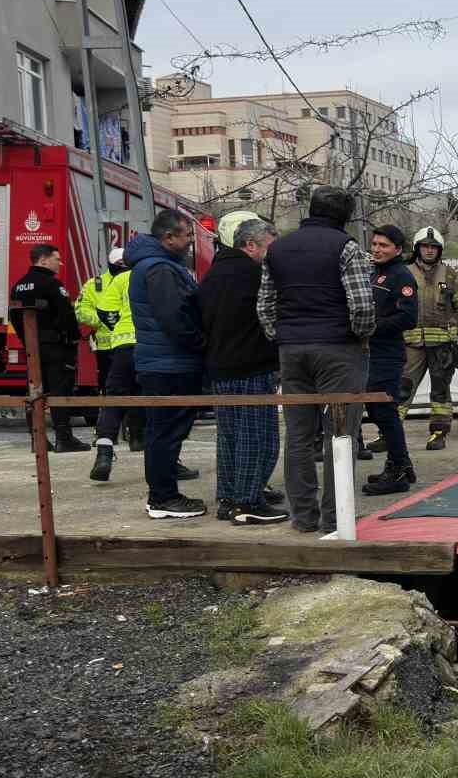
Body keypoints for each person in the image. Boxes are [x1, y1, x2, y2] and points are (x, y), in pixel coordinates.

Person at [258, 185, 375, 534]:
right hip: (338, 350)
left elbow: (265, 305)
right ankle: (336, 517)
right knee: (340, 434)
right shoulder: (347, 248)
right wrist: (359, 336)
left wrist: (282, 336)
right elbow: (362, 306)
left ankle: (304, 517)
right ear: (345, 216)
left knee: (298, 435)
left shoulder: (277, 249)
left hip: (292, 351)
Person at [197, 216, 289, 526]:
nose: (273, 254)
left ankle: (228, 497)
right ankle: (248, 501)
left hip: (220, 367)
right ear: (250, 245)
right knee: (256, 436)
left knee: (229, 437)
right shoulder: (254, 274)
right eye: (269, 247)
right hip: (251, 366)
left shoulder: (212, 274)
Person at [127, 211, 208, 519]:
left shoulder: (160, 266)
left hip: (164, 362)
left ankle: (163, 494)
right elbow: (175, 318)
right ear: (168, 238)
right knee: (165, 433)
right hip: (169, 365)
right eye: (187, 235)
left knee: (164, 432)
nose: (190, 241)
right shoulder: (160, 270)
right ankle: (163, 497)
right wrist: (202, 344)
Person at [9, 243, 89, 453]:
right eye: (57, 259)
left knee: (35, 392)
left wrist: (27, 341)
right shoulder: (52, 285)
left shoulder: (19, 285)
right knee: (59, 391)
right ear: (43, 260)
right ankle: (64, 438)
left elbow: (15, 317)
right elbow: (66, 316)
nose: (60, 263)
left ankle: (38, 440)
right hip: (56, 348)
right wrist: (72, 339)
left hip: (33, 348)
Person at [76, 246, 143, 481]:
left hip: (121, 348)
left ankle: (104, 451)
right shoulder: (153, 273)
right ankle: (165, 457)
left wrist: (116, 327)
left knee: (113, 398)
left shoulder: (117, 280)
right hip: (151, 347)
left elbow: (105, 311)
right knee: (155, 399)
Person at [361, 225, 419, 496]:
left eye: (383, 245)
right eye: (374, 244)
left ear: (397, 249)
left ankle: (398, 470)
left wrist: (373, 327)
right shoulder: (375, 273)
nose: (376, 249)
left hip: (387, 355)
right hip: (370, 354)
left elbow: (408, 318)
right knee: (375, 411)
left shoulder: (401, 276)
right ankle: (400, 464)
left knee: (384, 410)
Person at [399, 227, 458, 450]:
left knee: (440, 390)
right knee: (402, 387)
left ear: (439, 250)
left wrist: (451, 333)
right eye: (425, 246)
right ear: (417, 248)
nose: (429, 250)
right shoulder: (404, 273)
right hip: (411, 342)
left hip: (441, 346)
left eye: (433, 247)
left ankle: (439, 433)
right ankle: (389, 432)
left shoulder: (450, 275)